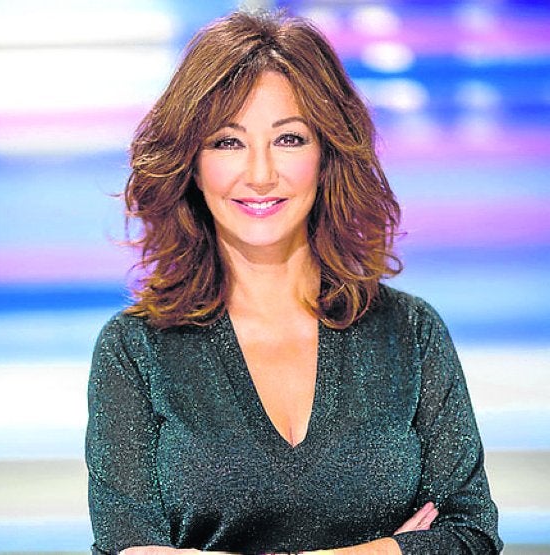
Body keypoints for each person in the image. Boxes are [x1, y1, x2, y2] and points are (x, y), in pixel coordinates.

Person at [85, 10, 503, 555]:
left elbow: (469, 536)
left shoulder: (409, 332)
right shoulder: (135, 348)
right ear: (191, 164)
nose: (260, 174)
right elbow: (126, 548)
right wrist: (389, 550)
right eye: (227, 143)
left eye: (289, 138)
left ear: (327, 154)